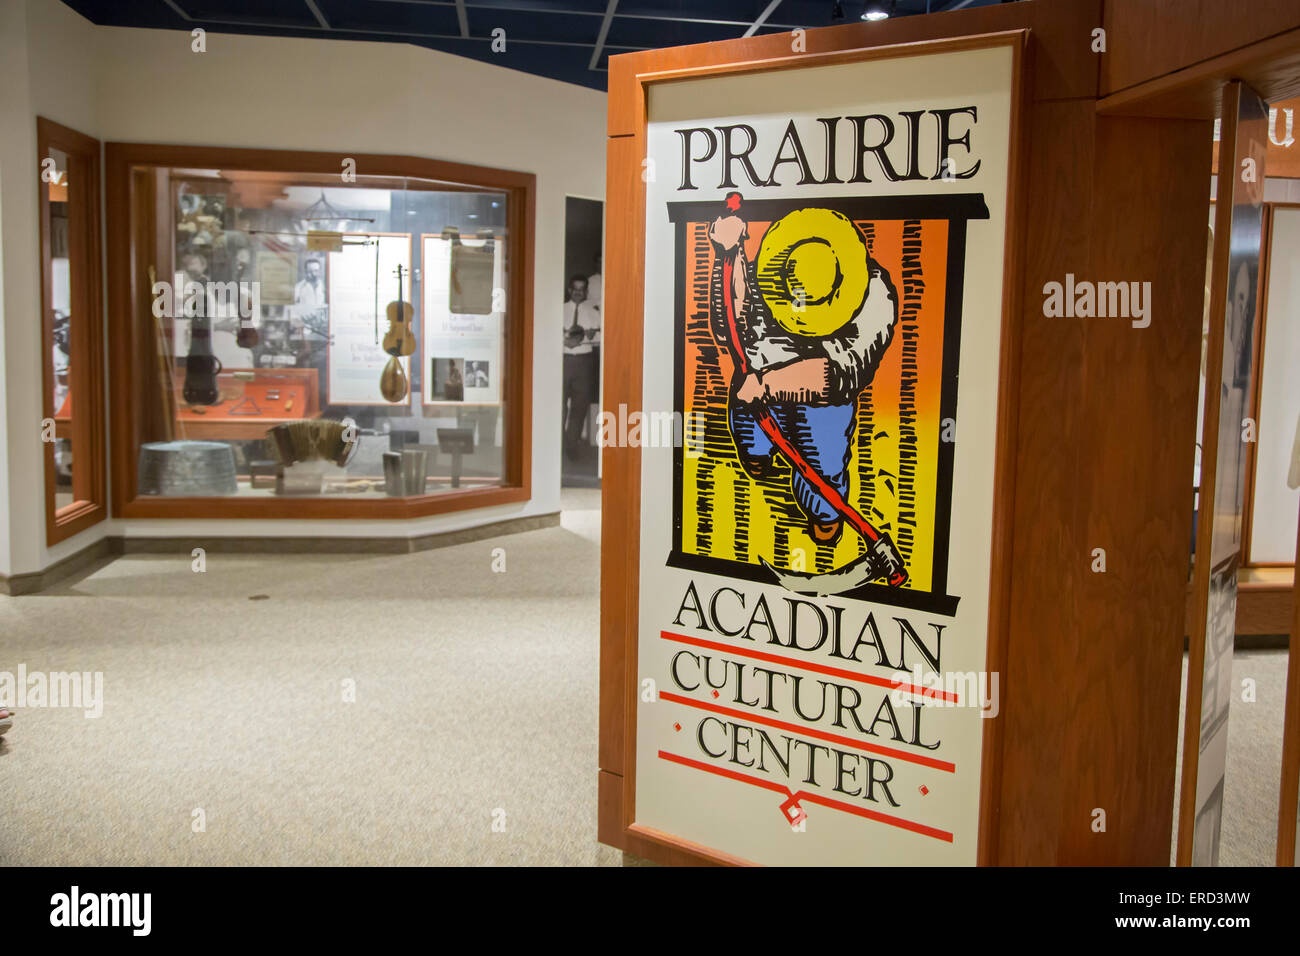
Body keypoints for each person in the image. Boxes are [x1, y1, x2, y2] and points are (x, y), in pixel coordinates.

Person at [708, 195, 898, 545]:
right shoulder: (779, 262)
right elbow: (728, 326)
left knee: (823, 474)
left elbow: (843, 374)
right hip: (755, 379)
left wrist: (767, 385)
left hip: (820, 402)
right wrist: (730, 254)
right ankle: (759, 461)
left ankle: (824, 520)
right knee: (751, 444)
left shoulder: (876, 295)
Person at [563, 275, 600, 457]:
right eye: (575, 289)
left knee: (580, 406)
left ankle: (571, 447)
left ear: (586, 291)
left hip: (584, 362)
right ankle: (556, 443)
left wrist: (594, 336)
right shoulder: (558, 310)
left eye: (581, 289)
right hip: (562, 360)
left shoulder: (594, 313)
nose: (578, 293)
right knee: (559, 405)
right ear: (570, 290)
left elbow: (601, 339)